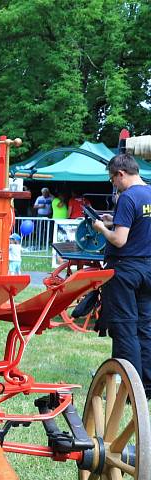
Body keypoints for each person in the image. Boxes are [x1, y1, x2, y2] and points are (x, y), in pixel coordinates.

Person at [92, 153, 151, 398]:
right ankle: (146, 386)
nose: (113, 184)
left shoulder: (127, 197)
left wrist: (102, 227)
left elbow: (119, 239)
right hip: (148, 268)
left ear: (121, 174)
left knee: (125, 328)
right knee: (145, 328)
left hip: (126, 270)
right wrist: (114, 219)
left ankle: (130, 390)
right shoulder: (148, 193)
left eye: (112, 179)